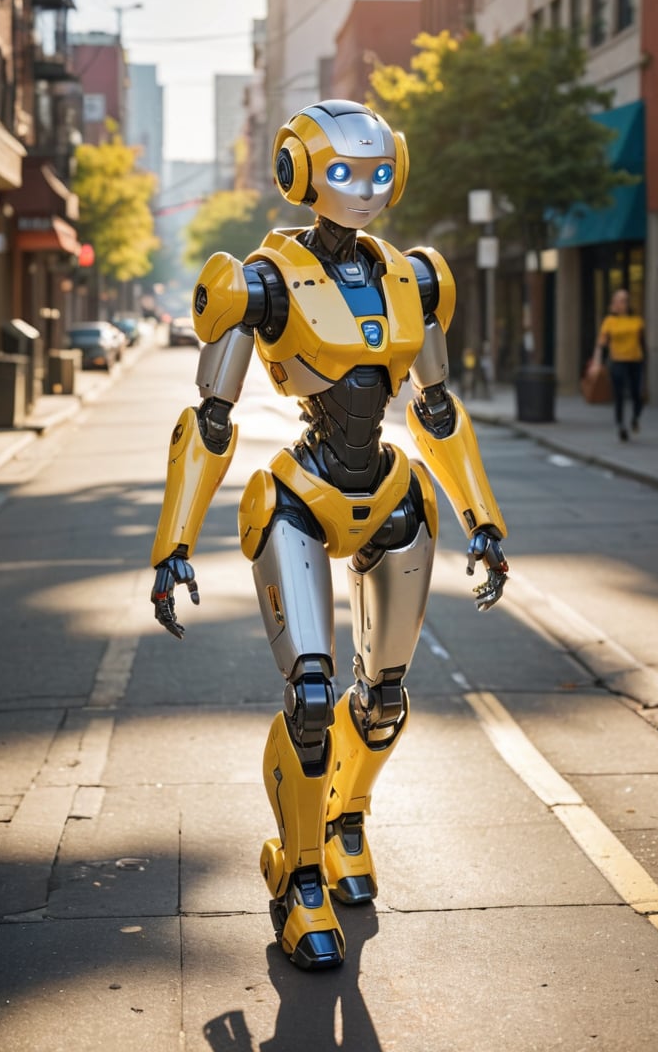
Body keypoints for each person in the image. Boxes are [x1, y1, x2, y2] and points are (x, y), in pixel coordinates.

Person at [149, 100, 509, 970]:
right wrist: (173, 542)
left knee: (381, 700)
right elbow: (210, 418)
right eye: (344, 173)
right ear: (300, 174)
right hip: (303, 495)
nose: (364, 190)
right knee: (312, 696)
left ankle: (345, 822)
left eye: (379, 173)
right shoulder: (258, 282)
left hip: (390, 491)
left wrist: (483, 520)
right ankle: (298, 879)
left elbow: (435, 408)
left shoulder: (414, 276)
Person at [590, 288, 645, 441]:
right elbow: (601, 344)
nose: (623, 303)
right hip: (618, 361)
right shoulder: (609, 321)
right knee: (619, 394)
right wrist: (596, 362)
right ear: (613, 304)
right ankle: (620, 424)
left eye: (625, 300)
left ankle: (635, 417)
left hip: (635, 360)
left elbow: (642, 342)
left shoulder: (637, 320)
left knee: (637, 393)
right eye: (620, 300)